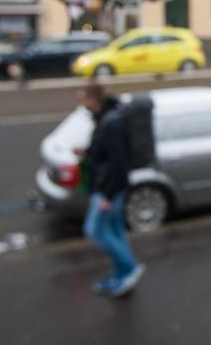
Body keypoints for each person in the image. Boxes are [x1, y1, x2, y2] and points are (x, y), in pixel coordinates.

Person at [75, 82, 144, 297]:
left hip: (108, 189)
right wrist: (87, 153)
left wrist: (109, 195)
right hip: (107, 186)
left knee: (95, 231)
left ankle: (130, 268)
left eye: (83, 97)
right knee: (114, 231)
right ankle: (121, 274)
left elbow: (118, 163)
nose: (80, 101)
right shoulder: (104, 118)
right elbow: (105, 154)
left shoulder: (112, 123)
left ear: (93, 99)